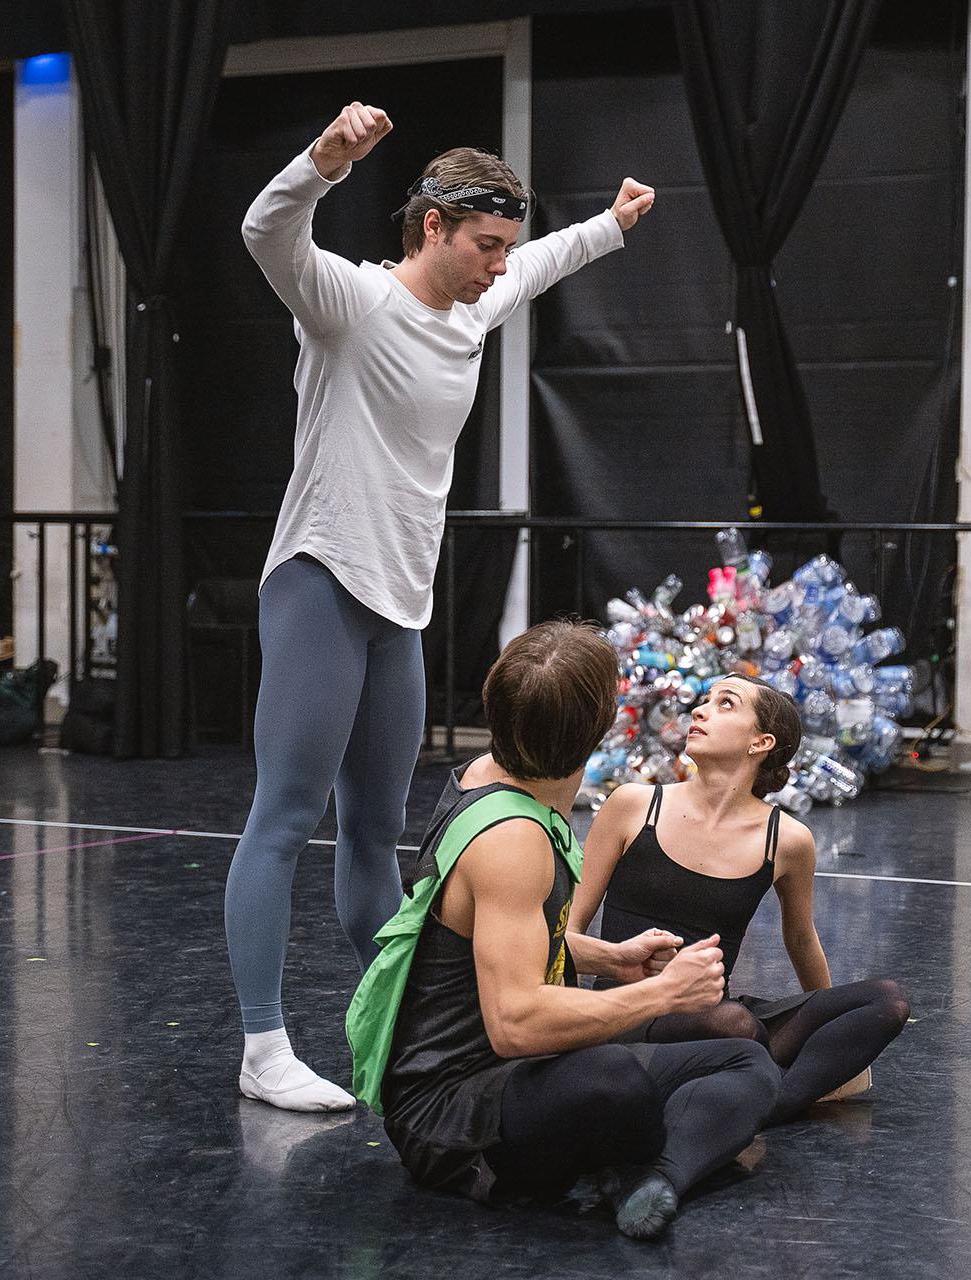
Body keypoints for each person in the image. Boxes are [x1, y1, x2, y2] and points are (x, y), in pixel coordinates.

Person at [223, 101, 656, 1111]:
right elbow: (265, 233)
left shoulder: (472, 306)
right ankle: (261, 1045)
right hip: (321, 580)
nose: (501, 263)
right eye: (485, 244)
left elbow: (545, 262)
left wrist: (611, 226)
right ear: (432, 227)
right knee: (284, 818)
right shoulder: (347, 302)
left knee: (377, 830)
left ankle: (405, 1013)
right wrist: (321, 163)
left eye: (505, 244)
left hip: (399, 606)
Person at [353, 620, 781, 1240]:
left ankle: (654, 1177)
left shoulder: (498, 774)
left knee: (748, 1062)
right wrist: (662, 993)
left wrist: (610, 958)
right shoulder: (512, 842)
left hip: (515, 1072)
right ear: (598, 729)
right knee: (617, 1083)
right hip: (450, 1118)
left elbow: (499, 940)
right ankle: (645, 1166)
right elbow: (515, 1022)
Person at [573, 675, 910, 1124]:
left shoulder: (787, 839)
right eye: (705, 700)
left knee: (889, 1001)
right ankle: (757, 1091)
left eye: (725, 704)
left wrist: (822, 1026)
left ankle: (766, 1103)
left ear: (761, 742)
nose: (700, 710)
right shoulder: (633, 804)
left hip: (714, 1012)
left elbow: (802, 939)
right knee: (736, 1026)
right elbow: (565, 932)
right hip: (631, 1012)